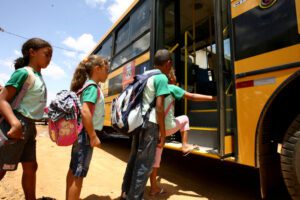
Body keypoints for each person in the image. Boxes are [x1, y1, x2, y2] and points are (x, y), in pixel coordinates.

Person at [149, 69, 216, 196]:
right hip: (168, 128)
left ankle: (153, 188)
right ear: (172, 79)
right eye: (175, 76)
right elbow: (192, 96)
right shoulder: (173, 88)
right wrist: (213, 98)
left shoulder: (155, 89)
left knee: (156, 160)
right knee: (185, 118)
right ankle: (184, 145)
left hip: (156, 129)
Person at [0, 38, 52, 200]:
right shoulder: (23, 73)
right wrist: (14, 122)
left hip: (30, 127)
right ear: (32, 52)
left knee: (31, 167)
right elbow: (2, 100)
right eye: (47, 54)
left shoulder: (39, 76)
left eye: (51, 56)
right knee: (2, 167)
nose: (49, 59)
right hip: (16, 124)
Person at [120, 49, 172, 200]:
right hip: (150, 124)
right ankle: (135, 197)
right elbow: (160, 108)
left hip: (138, 123)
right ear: (168, 64)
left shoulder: (146, 75)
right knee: (144, 164)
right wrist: (163, 133)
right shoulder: (161, 78)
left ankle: (125, 192)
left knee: (134, 159)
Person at [66, 55, 109, 200]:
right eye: (106, 69)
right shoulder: (92, 87)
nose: (108, 73)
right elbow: (85, 112)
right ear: (97, 69)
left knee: (73, 171)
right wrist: (93, 136)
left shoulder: (88, 85)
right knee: (78, 174)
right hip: (85, 135)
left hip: (80, 134)